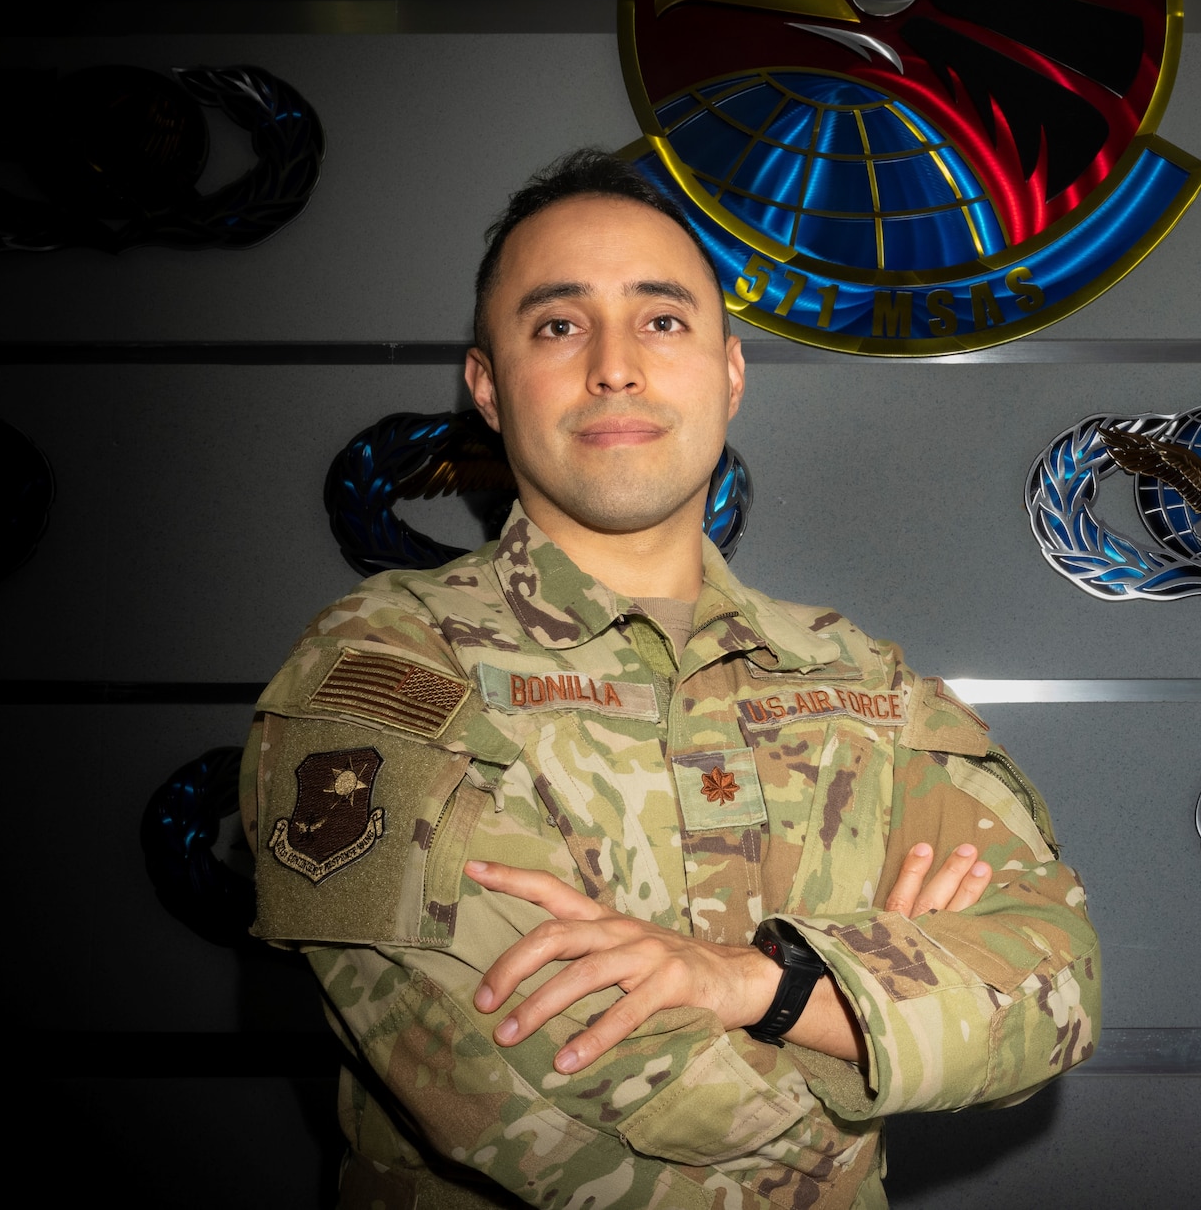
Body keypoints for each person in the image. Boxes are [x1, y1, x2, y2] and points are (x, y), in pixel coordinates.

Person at [240, 149, 1101, 1209]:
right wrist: (887, 1017)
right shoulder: (382, 671)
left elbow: (1055, 983)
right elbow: (544, 1109)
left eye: (661, 320)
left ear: (728, 373)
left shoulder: (857, 675)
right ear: (486, 389)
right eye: (558, 325)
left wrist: (763, 984)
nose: (615, 366)